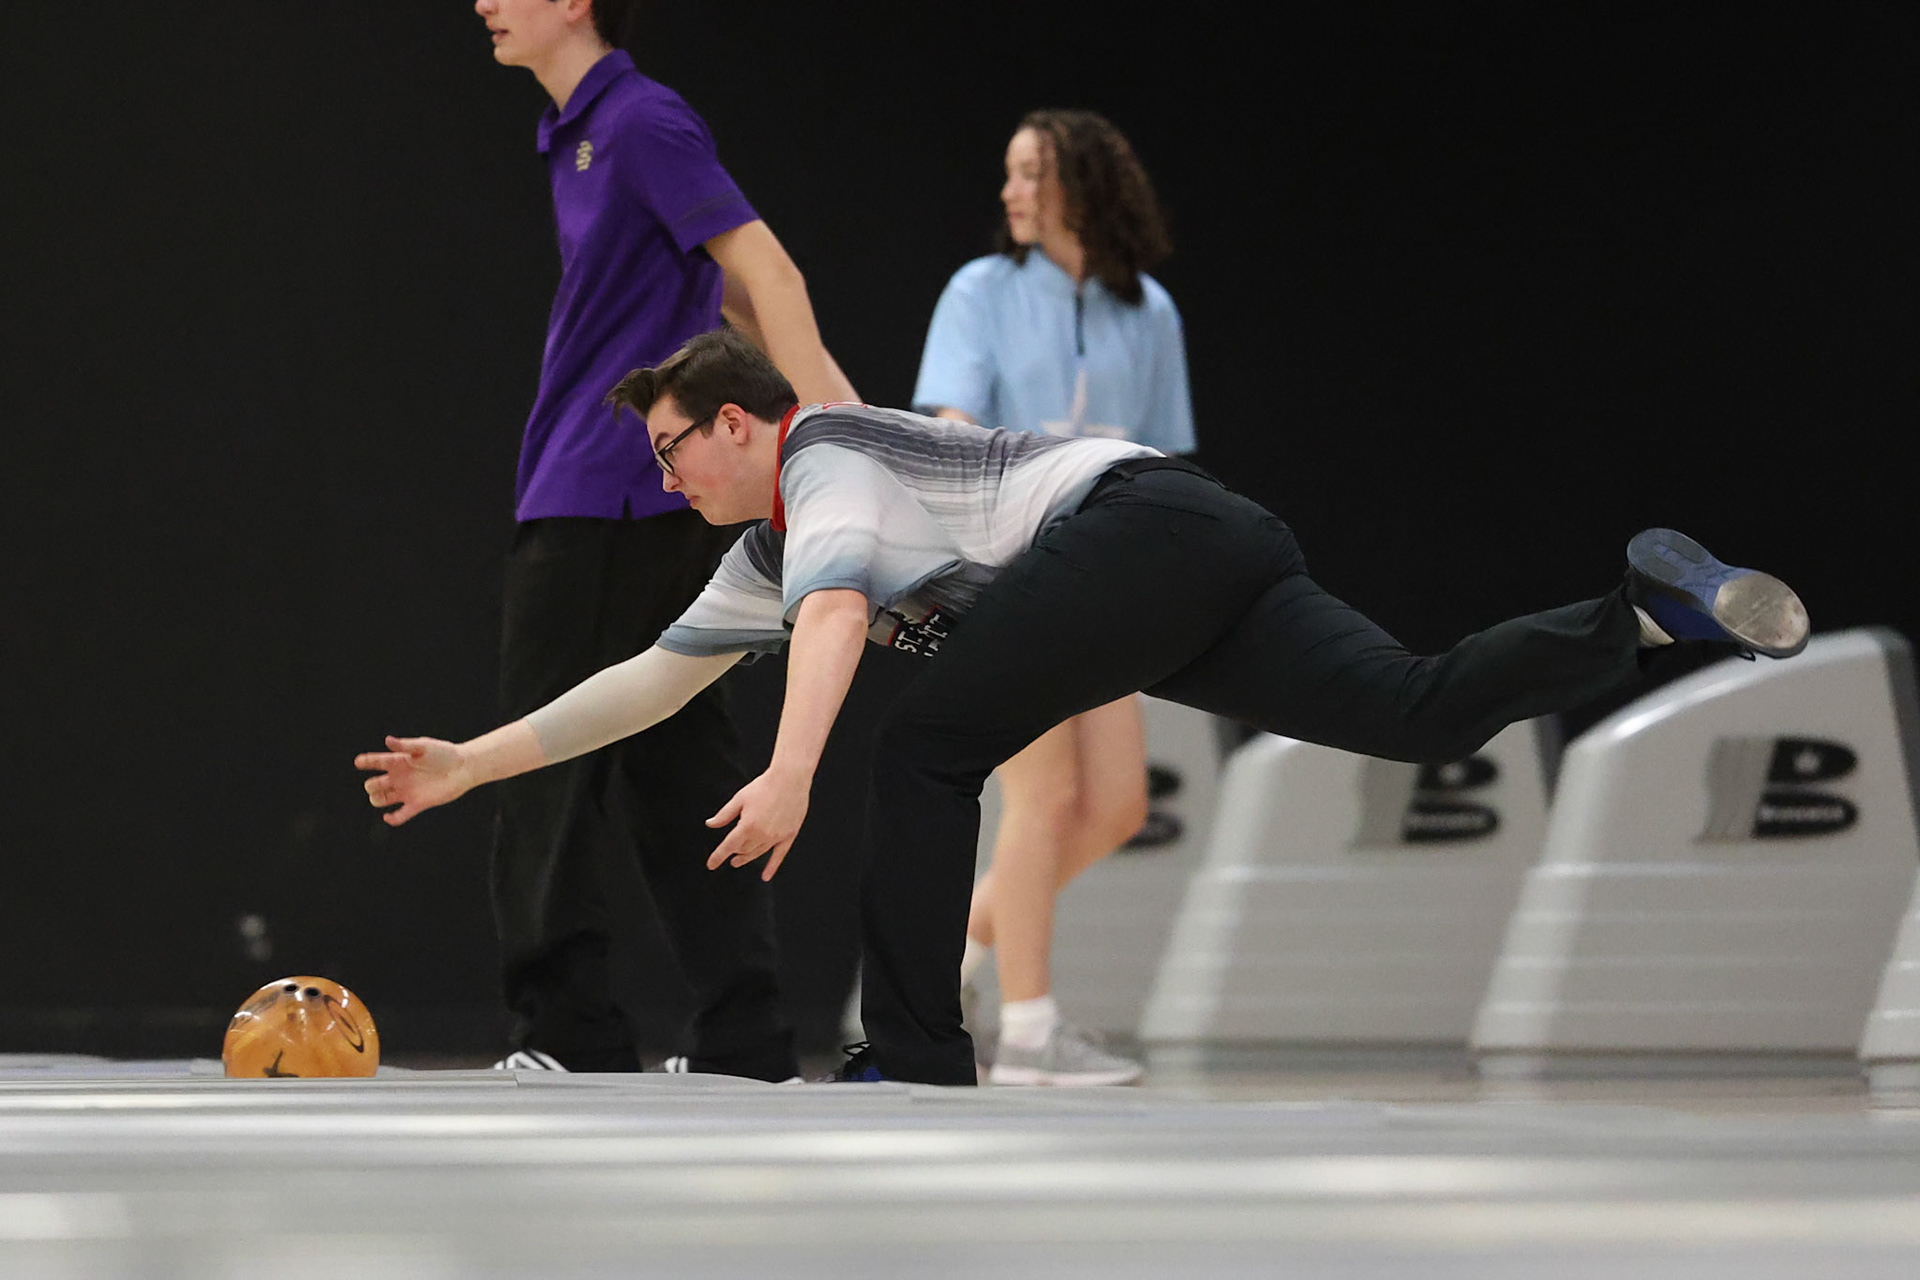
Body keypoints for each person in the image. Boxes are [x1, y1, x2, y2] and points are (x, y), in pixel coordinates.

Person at [357, 329, 1811, 1087]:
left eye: (677, 451)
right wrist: (475, 763)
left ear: (743, 422)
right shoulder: (764, 551)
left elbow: (849, 619)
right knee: (1418, 709)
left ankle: (916, 1058)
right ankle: (1637, 606)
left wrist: (795, 768)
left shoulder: (827, 459)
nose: (667, 480)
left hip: (1139, 530)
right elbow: (652, 682)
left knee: (926, 749)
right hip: (1206, 544)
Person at [470, 0, 856, 1078]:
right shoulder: (575, 137)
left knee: (551, 762)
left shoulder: (639, 120)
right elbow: (724, 292)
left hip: (605, 494)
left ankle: (566, 1030)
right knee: (681, 765)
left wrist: (838, 439)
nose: (486, 3)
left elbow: (767, 271)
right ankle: (745, 1036)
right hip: (619, 493)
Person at [911, 109, 1193, 1086]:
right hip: (1008, 563)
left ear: (1081, 184)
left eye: (1030, 173)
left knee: (1113, 805)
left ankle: (936, 962)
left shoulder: (1149, 310)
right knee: (1040, 797)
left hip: (1113, 572)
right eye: (1009, 174)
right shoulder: (981, 291)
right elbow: (949, 426)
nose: (1011, 192)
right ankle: (1029, 1030)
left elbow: (1162, 457)